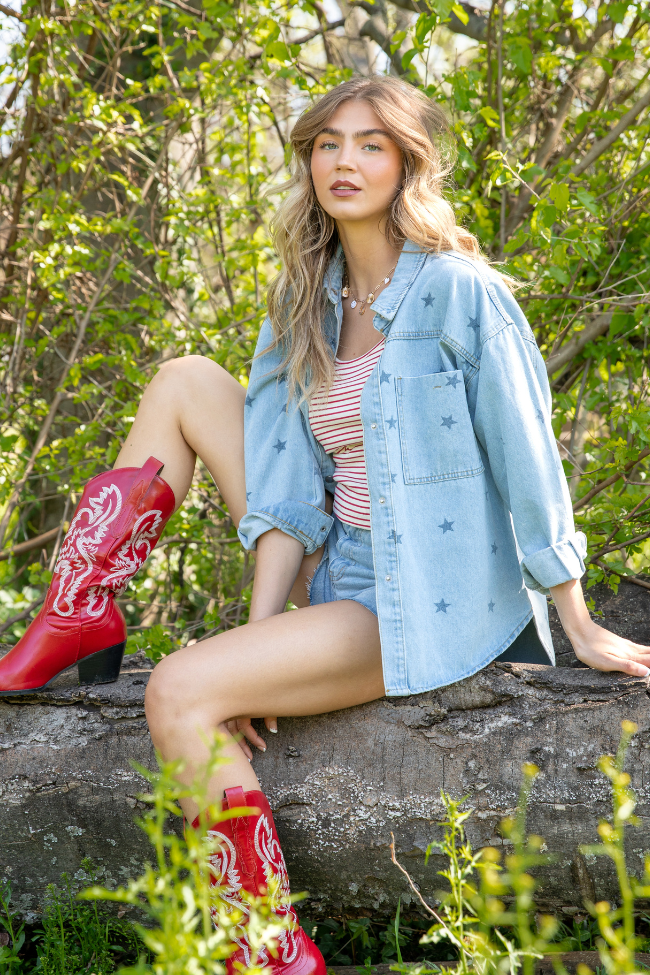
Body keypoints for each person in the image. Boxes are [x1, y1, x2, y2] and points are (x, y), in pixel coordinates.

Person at [1, 76, 649, 975]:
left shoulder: (461, 292)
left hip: (425, 595)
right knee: (185, 380)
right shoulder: (304, 301)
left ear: (407, 164)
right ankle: (77, 612)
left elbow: (528, 456)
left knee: (178, 691)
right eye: (328, 144)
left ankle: (267, 950)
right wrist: (261, 641)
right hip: (341, 568)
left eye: (371, 144)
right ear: (309, 161)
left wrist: (577, 620)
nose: (346, 161)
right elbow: (287, 495)